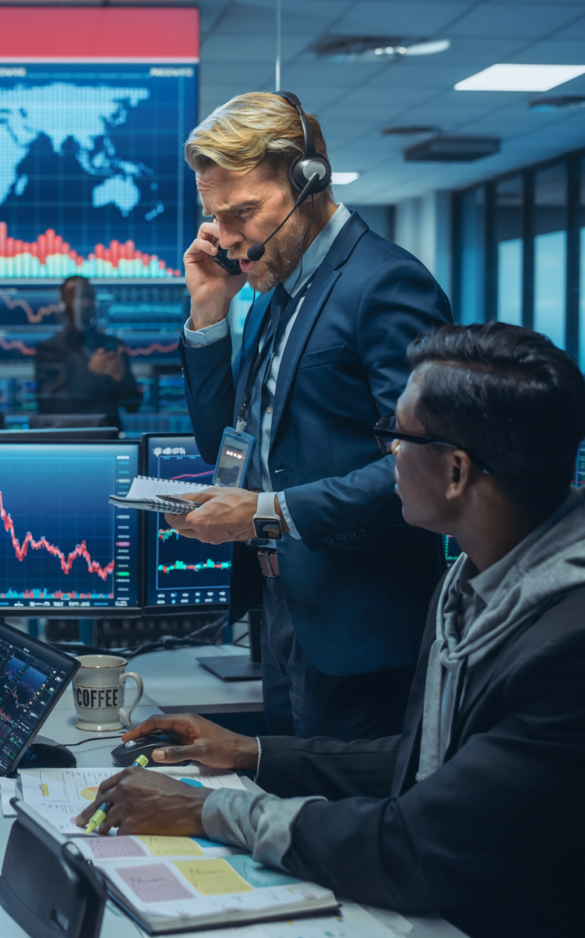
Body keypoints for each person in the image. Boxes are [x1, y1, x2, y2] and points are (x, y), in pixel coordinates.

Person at [77, 323, 585, 938]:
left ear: (456, 470)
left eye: (398, 435)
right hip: (477, 926)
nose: (389, 453)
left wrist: (205, 809)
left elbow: (415, 844)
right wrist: (252, 753)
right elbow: (437, 761)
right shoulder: (483, 582)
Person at [171, 92, 451, 740]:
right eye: (217, 216)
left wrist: (269, 512)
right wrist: (210, 310)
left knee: (343, 823)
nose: (231, 239)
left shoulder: (384, 284)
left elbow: (425, 463)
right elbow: (226, 448)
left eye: (243, 212)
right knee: (288, 807)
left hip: (361, 628)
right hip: (286, 611)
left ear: (309, 179)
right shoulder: (273, 294)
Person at [34, 275, 141, 426]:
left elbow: (134, 405)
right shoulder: (49, 350)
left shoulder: (113, 346)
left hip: (108, 439)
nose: (85, 303)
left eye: (89, 296)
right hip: (67, 438)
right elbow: (48, 406)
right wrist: (90, 373)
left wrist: (122, 380)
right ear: (64, 304)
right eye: (77, 297)